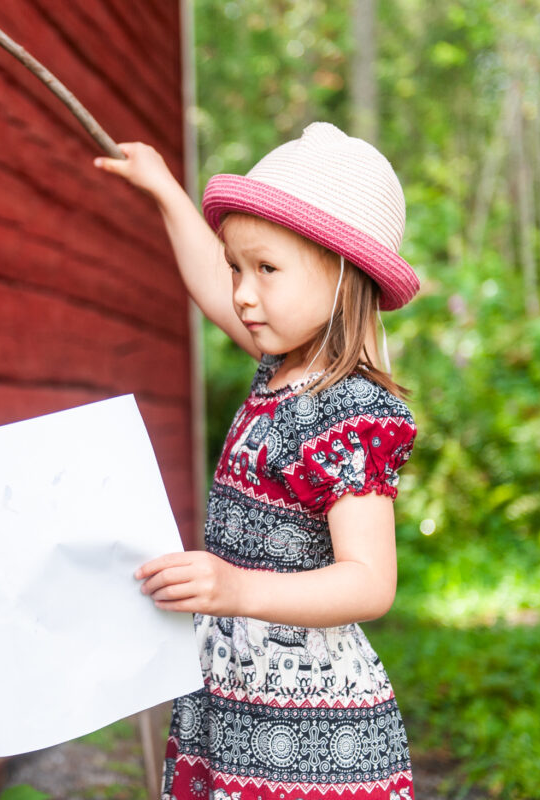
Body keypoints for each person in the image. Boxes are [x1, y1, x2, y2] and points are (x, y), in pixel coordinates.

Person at [94, 121, 420, 799]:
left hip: (312, 734)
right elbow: (213, 286)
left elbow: (369, 582)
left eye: (265, 269)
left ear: (340, 273)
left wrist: (236, 589)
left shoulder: (350, 413)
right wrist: (163, 190)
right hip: (232, 701)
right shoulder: (280, 369)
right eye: (238, 267)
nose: (241, 292)